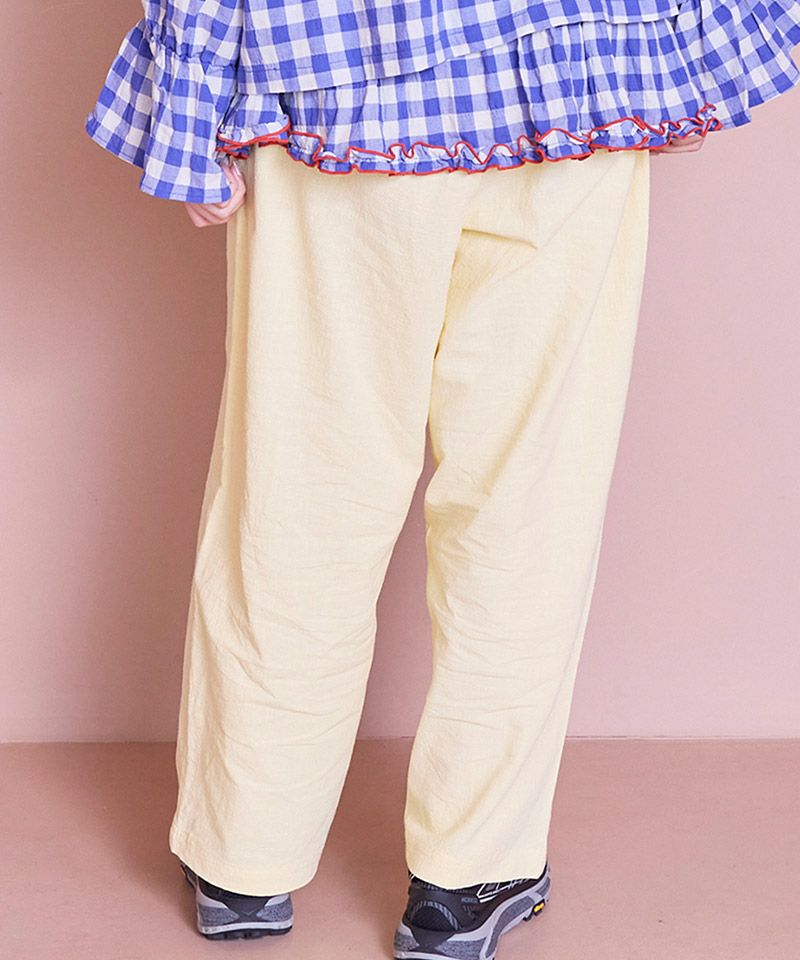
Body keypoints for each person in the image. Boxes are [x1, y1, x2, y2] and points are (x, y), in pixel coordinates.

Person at [84, 3, 800, 958]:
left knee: (304, 487)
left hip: (337, 81)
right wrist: (684, 58)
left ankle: (244, 854)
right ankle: (469, 875)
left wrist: (191, 108)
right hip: (569, 69)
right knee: (529, 496)